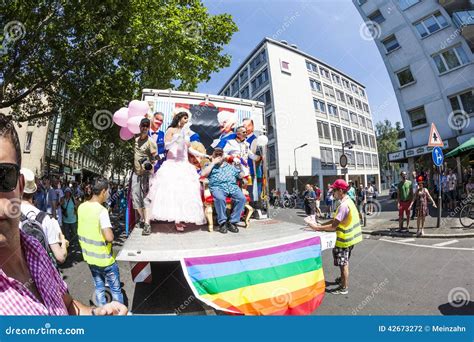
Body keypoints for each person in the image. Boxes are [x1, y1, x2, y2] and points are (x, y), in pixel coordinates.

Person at [0, 115, 126, 315]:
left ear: (21, 186)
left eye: (2, 176)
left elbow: (67, 306)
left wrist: (95, 314)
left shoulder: (35, 249)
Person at [147, 111, 207, 232]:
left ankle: (179, 219)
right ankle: (174, 220)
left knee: (183, 193)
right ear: (179, 119)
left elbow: (190, 149)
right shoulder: (171, 130)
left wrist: (204, 155)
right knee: (172, 192)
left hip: (184, 165)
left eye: (187, 118)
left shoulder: (187, 133)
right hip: (172, 164)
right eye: (185, 118)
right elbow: (166, 147)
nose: (186, 120)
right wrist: (176, 139)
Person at [305, 179, 362, 295]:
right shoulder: (348, 201)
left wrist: (316, 228)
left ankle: (344, 287)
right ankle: (342, 280)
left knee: (343, 264)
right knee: (344, 262)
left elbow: (334, 226)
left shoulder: (343, 206)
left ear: (340, 191)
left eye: (334, 191)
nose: (332, 193)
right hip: (349, 240)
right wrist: (321, 224)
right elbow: (336, 220)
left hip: (344, 241)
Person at [77, 178, 125, 307]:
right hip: (105, 260)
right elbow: (109, 237)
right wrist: (111, 232)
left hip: (90, 258)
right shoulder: (102, 211)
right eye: (108, 191)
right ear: (103, 191)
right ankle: (118, 315)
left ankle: (102, 312)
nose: (109, 194)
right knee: (115, 290)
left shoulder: (81, 207)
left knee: (99, 287)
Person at [20, 168, 68, 265]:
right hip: (37, 272)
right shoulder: (46, 219)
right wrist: (63, 241)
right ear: (34, 191)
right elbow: (60, 257)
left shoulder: (6, 215)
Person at [201, 148, 247, 234]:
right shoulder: (210, 165)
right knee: (220, 198)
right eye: (216, 154)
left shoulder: (230, 166)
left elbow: (241, 176)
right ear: (213, 156)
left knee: (242, 198)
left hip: (233, 187)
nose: (218, 156)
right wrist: (213, 162)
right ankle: (222, 223)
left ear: (223, 156)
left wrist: (240, 166)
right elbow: (203, 174)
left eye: (220, 154)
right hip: (218, 187)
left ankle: (232, 222)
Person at [132, 117, 157, 235]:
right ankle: (142, 218)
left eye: (147, 126)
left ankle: (147, 225)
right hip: (136, 174)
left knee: (146, 199)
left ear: (149, 128)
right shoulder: (136, 140)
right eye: (143, 126)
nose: (145, 128)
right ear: (140, 127)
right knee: (136, 199)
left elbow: (155, 158)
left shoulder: (151, 141)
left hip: (146, 174)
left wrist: (149, 165)